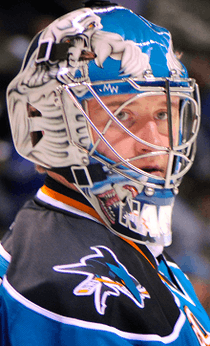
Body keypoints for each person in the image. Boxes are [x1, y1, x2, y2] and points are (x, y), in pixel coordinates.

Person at [0, 1, 210, 344]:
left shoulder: (117, 237)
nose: (154, 143)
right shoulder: (68, 293)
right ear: (54, 124)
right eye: (123, 116)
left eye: (162, 114)